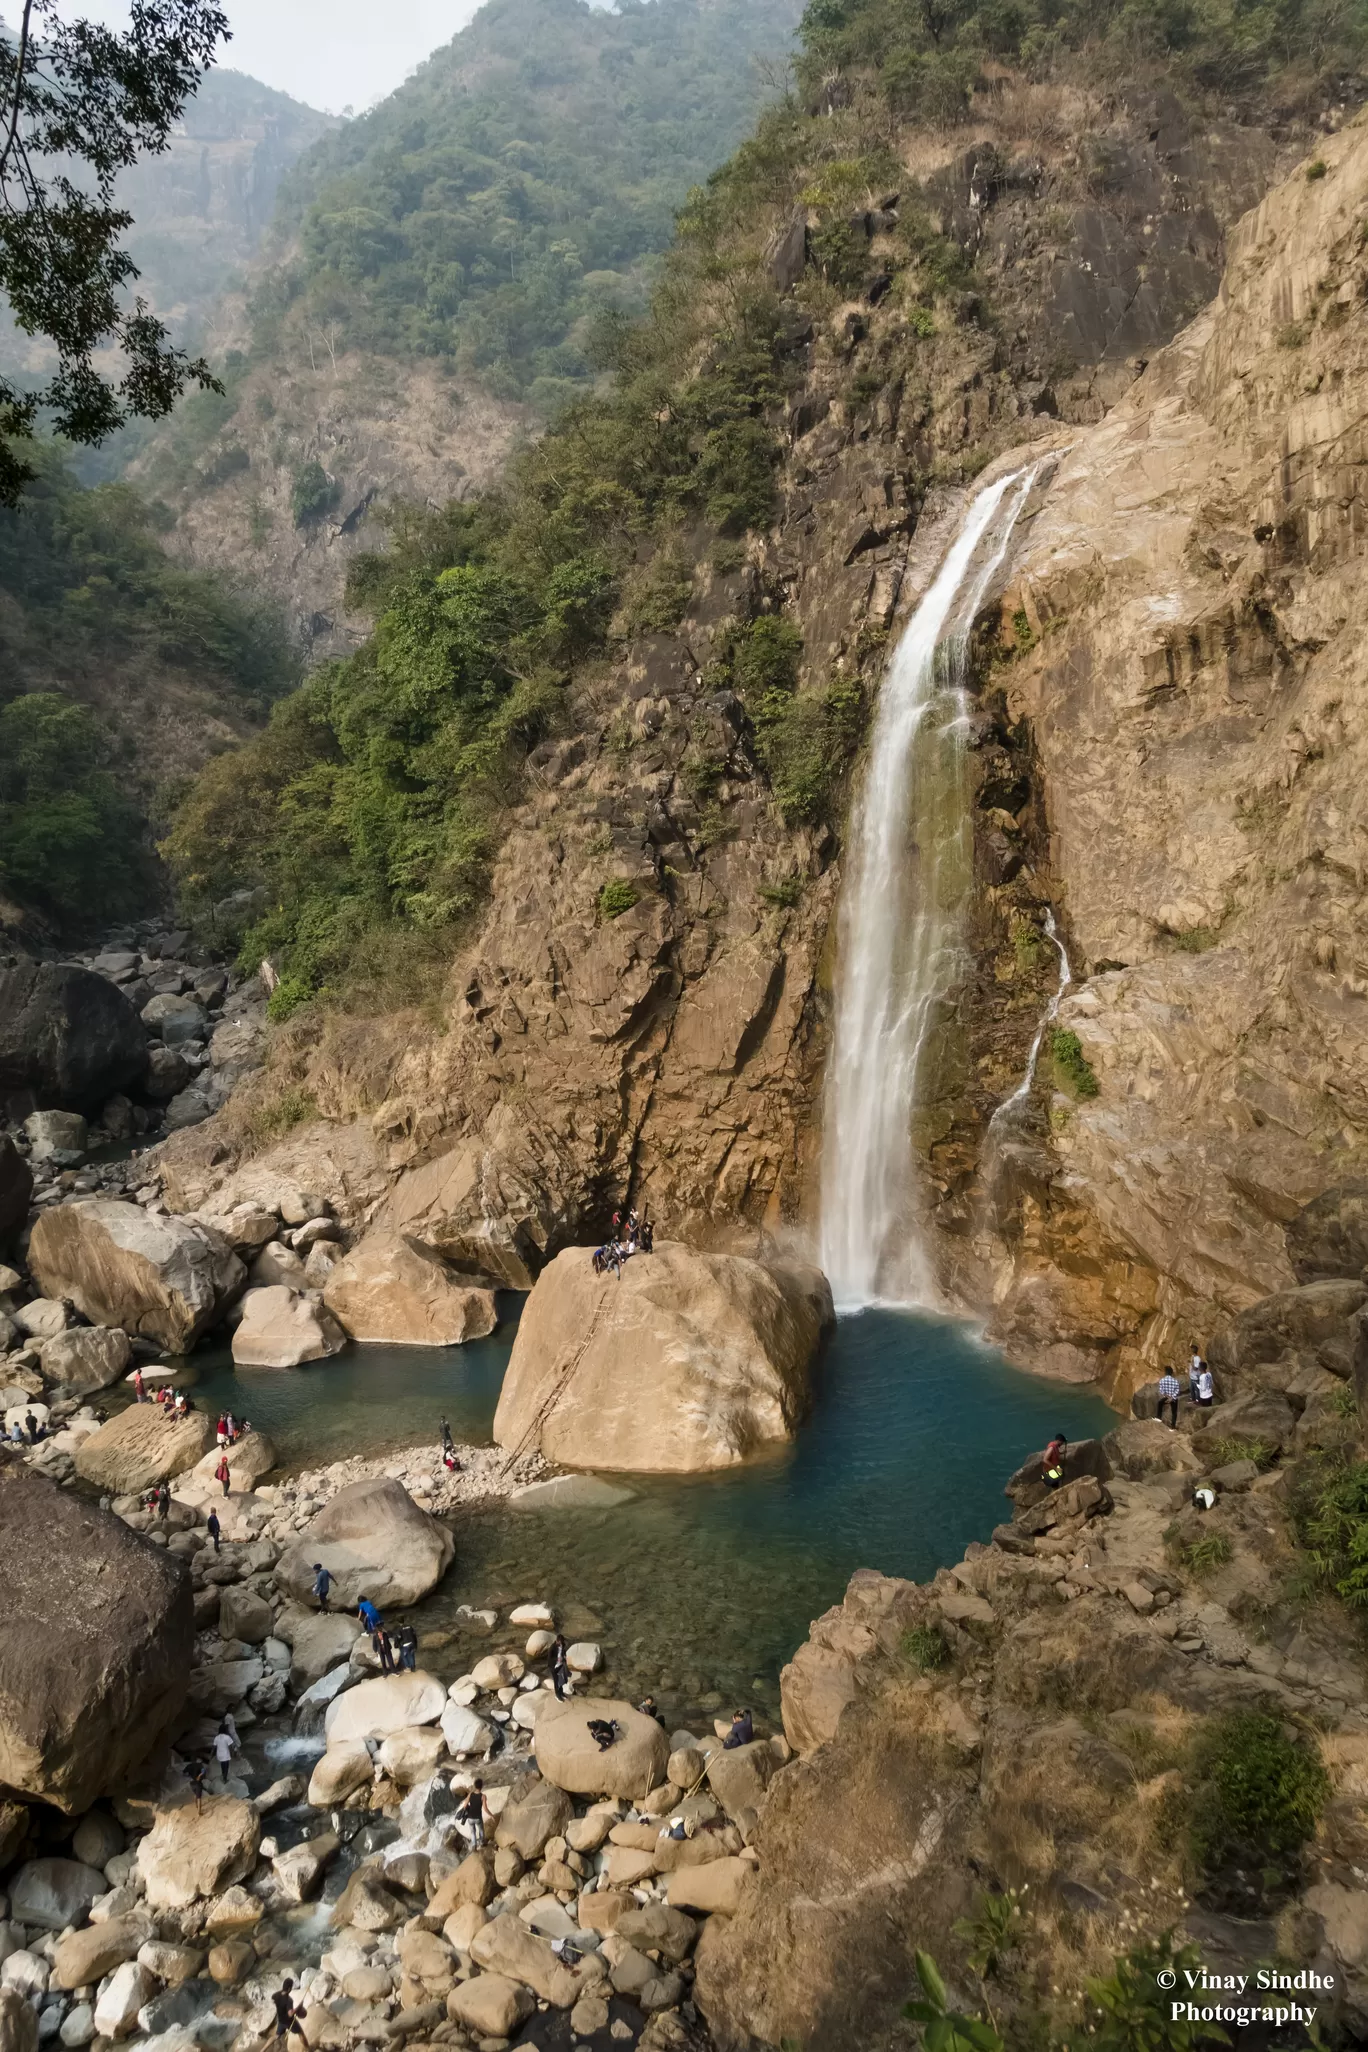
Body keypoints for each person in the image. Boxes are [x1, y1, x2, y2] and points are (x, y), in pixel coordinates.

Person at [455, 1779, 488, 1849]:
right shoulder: (483, 1796)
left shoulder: (470, 1794)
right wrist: (491, 1815)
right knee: (481, 1830)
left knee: (473, 1832)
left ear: (475, 1786)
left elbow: (465, 1805)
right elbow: (485, 1808)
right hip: (478, 1818)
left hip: (470, 1818)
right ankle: (482, 1843)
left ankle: (474, 1845)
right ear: (481, 1786)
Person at [549, 1634, 571, 1701]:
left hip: (561, 1665)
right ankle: (557, 1694)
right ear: (557, 1640)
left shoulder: (562, 1644)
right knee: (556, 1681)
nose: (560, 1643)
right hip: (554, 1667)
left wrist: (564, 1656)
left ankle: (561, 1693)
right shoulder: (552, 1648)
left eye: (561, 1642)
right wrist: (557, 1659)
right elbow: (549, 1659)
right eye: (559, 1642)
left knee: (561, 1680)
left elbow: (563, 1651)